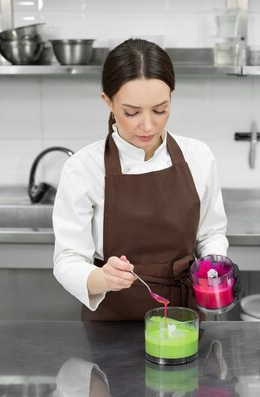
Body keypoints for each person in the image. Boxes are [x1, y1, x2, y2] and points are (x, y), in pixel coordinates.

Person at [53, 38, 229, 321]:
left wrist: (213, 264)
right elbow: (67, 260)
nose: (148, 125)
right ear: (107, 102)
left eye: (160, 109)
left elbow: (210, 233)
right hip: (111, 323)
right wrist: (101, 278)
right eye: (131, 112)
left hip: (185, 317)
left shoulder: (198, 157)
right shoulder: (83, 168)